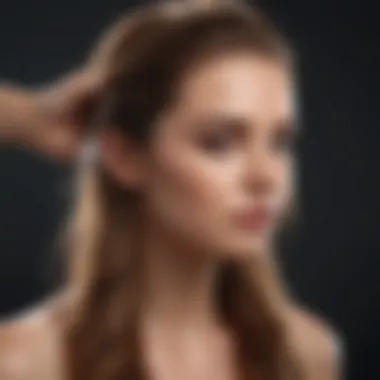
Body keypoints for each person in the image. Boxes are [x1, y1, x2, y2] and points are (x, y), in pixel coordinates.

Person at [0, 0, 343, 379]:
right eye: (219, 143)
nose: (266, 177)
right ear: (125, 156)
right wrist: (26, 118)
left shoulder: (307, 352)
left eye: (279, 142)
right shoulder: (25, 362)